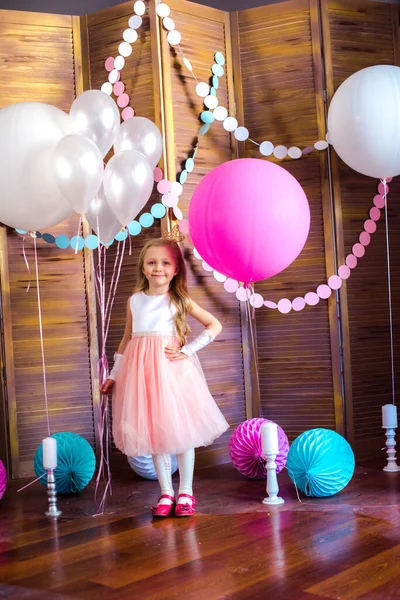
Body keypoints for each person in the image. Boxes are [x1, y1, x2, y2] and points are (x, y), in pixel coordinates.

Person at [101, 237, 229, 517]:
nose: (158, 268)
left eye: (165, 263)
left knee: (182, 434)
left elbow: (214, 324)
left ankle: (186, 492)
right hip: (141, 374)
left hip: (172, 374)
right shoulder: (134, 301)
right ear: (144, 268)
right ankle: (166, 493)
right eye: (152, 262)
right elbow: (125, 340)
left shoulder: (178, 300)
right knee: (154, 432)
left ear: (175, 270)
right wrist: (113, 374)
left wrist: (188, 349)